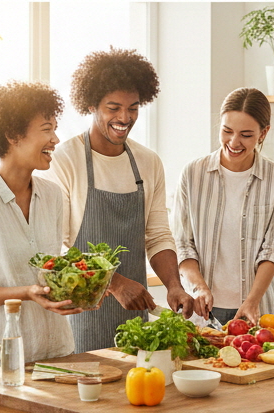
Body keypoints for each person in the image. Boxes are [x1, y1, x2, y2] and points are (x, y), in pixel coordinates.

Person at [40, 47, 195, 352]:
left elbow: (158, 235)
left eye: (133, 108)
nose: (124, 118)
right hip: (82, 316)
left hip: (136, 319)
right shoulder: (66, 160)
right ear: (92, 105)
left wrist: (174, 286)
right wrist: (115, 283)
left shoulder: (148, 163)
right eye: (113, 108)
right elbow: (57, 249)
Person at [0, 81, 89, 364]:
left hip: (57, 349)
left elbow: (50, 269)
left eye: (55, 129)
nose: (55, 139)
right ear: (13, 135)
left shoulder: (53, 196)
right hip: (0, 356)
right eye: (47, 129)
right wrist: (27, 293)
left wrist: (82, 287)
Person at [172, 87, 274, 324]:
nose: (234, 142)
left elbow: (272, 250)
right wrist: (199, 288)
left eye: (246, 135)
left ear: (263, 133)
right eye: (227, 131)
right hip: (201, 312)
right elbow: (183, 245)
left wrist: (252, 301)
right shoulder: (193, 174)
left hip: (259, 310)